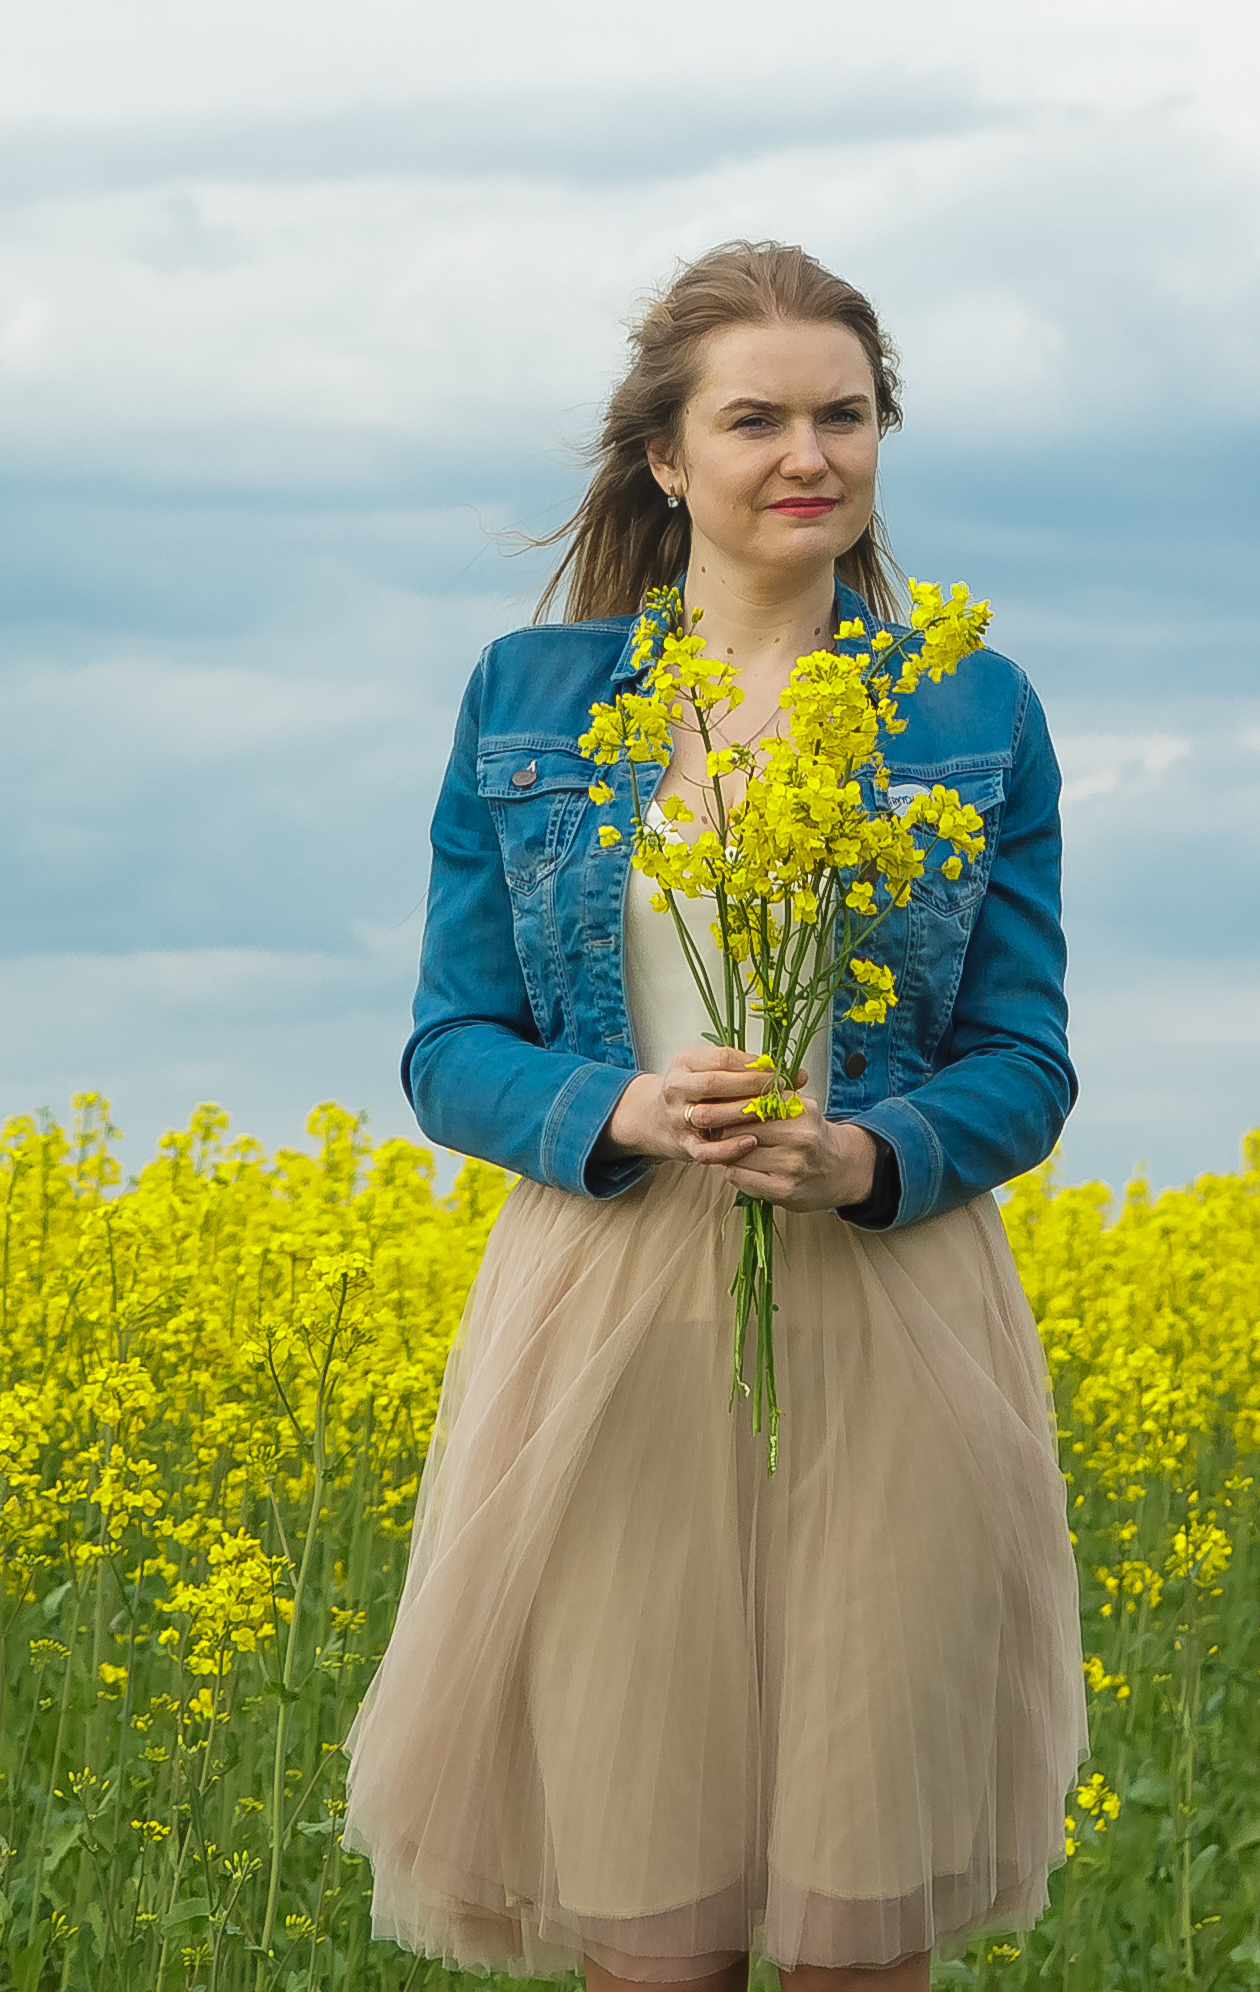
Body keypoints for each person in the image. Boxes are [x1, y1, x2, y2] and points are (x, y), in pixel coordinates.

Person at [344, 240, 1087, 1990]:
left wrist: (867, 1154)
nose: (806, 454)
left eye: (846, 414)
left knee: (855, 1931)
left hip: (888, 1312)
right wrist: (613, 1106)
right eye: (756, 419)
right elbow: (452, 1042)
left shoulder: (972, 710)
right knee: (652, 1929)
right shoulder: (527, 701)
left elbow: (1026, 1056)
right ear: (668, 458)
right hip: (609, 1309)